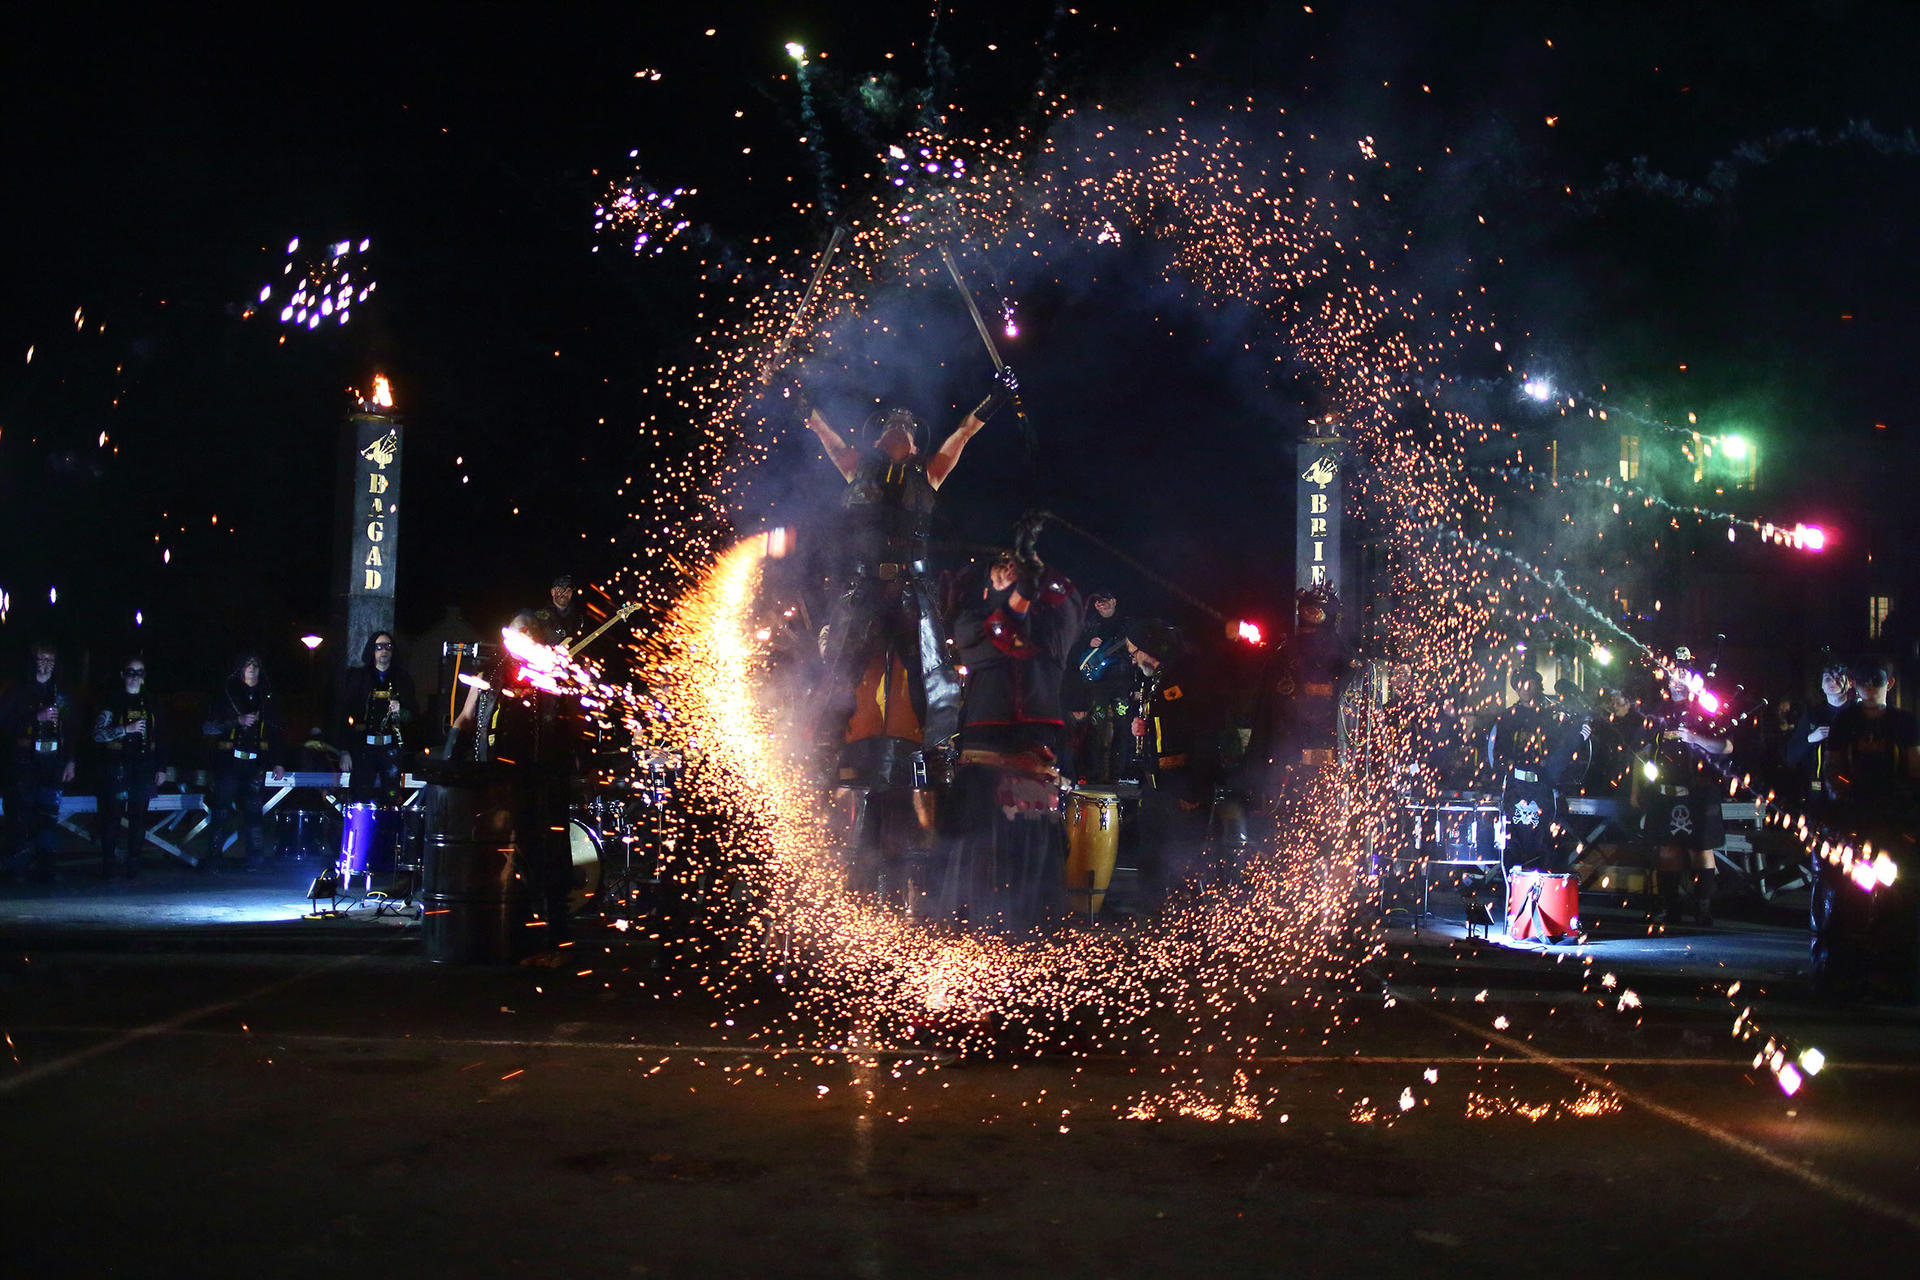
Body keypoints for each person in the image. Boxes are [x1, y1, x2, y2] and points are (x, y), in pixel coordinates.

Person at [802, 368, 1016, 782]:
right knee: (842, 665)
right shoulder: (857, 467)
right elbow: (824, 435)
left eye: (906, 425)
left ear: (915, 441)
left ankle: (938, 749)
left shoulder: (930, 472)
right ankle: (829, 746)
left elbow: (965, 433)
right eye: (891, 425)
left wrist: (995, 398)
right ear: (878, 438)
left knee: (929, 669)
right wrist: (804, 405)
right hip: (863, 587)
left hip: (912, 589)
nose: (898, 427)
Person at [934, 545, 1083, 930]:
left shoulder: (1049, 633)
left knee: (1032, 828)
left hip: (1034, 739)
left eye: (1012, 575)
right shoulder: (972, 622)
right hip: (985, 737)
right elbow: (988, 645)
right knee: (977, 830)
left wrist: (1039, 570)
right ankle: (970, 917)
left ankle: (1031, 917)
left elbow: (1069, 604)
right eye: (998, 576)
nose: (1005, 580)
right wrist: (1010, 599)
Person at [451, 612, 578, 961]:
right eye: (514, 633)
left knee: (549, 861)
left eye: (526, 634)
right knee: (504, 863)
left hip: (545, 782)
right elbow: (467, 717)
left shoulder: (553, 674)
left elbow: (570, 727)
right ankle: (505, 938)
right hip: (499, 784)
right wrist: (451, 752)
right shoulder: (492, 672)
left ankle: (556, 942)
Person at [1822, 659, 1920, 1000]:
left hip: (1894, 819)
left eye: (1875, 683)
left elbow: (1913, 768)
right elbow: (1834, 769)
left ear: (1888, 684)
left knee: (1899, 895)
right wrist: (1843, 799)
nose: (1870, 690)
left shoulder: (1904, 723)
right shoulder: (1845, 720)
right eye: (1864, 683)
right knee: (1851, 893)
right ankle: (1847, 971)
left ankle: (1893, 972)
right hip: (1854, 819)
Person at [1643, 669, 1733, 927]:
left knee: (1700, 850)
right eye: (1673, 679)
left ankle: (1702, 909)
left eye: (1683, 679)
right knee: (1667, 850)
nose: (1677, 684)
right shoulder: (1659, 712)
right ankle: (1671, 908)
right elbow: (1643, 751)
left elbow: (1726, 746)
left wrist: (1695, 738)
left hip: (1699, 792)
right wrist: (1639, 790)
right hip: (1664, 791)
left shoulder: (1706, 710)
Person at [1486, 664, 1590, 873]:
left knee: (1543, 842)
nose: (1525, 688)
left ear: (1537, 685)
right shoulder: (1507, 717)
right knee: (1513, 842)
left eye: (1529, 682)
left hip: (1542, 787)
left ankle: (1542, 892)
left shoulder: (1551, 715)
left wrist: (1578, 733)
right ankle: (1513, 893)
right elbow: (1497, 753)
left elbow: (1562, 751)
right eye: (1521, 684)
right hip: (1516, 787)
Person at [2, 643, 77, 883]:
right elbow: (4, 725)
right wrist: (35, 718)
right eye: (41, 658)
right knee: (21, 816)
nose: (45, 664)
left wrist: (71, 761)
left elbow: (72, 730)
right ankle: (18, 869)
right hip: (24, 763)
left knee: (48, 816)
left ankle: (46, 867)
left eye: (50, 660)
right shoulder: (18, 691)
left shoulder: (61, 693)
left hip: (53, 763)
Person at [202, 654, 285, 870]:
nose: (252, 669)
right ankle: (213, 857)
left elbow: (276, 731)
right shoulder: (226, 694)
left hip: (255, 762)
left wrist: (278, 761)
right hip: (228, 761)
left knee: (254, 811)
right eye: (248, 665)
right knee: (221, 810)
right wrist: (236, 721)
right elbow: (208, 726)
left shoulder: (266, 697)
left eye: (256, 666)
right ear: (240, 669)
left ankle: (255, 858)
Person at [93, 657, 167, 878]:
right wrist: (126, 729)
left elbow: (162, 737)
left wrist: (161, 767)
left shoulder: (152, 702)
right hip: (116, 766)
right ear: (123, 674)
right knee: (112, 816)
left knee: (139, 818)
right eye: (130, 672)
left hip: (143, 767)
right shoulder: (111, 700)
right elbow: (97, 734)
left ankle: (133, 862)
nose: (135, 677)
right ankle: (109, 863)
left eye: (140, 672)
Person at [336, 630, 418, 803]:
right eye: (379, 647)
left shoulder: (402, 679)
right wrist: (344, 750)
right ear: (372, 650)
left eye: (388, 646)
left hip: (391, 749)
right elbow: (343, 713)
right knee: (360, 797)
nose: (384, 651)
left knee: (391, 797)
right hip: (363, 748)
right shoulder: (358, 678)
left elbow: (413, 714)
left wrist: (400, 710)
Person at [1064, 590, 1132, 783]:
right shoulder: (1089, 626)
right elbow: (1073, 651)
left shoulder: (1126, 624)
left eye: (1106, 600)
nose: (1102, 604)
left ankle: (1117, 774)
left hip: (1121, 683)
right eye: (1098, 602)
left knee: (1122, 728)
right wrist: (1088, 642)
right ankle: (1093, 774)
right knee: (1095, 729)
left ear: (1114, 601)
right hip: (1098, 685)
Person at [1784, 659, 1854, 817]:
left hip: (1853, 790)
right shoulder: (1812, 716)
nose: (1833, 682)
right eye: (1828, 678)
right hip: (1818, 791)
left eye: (1838, 678)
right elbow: (1791, 756)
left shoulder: (1857, 714)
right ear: (1821, 685)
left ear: (1849, 683)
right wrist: (1810, 738)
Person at [535, 576, 586, 651]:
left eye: (569, 590)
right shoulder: (541, 615)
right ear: (553, 592)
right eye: (561, 589)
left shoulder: (578, 619)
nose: (565, 593)